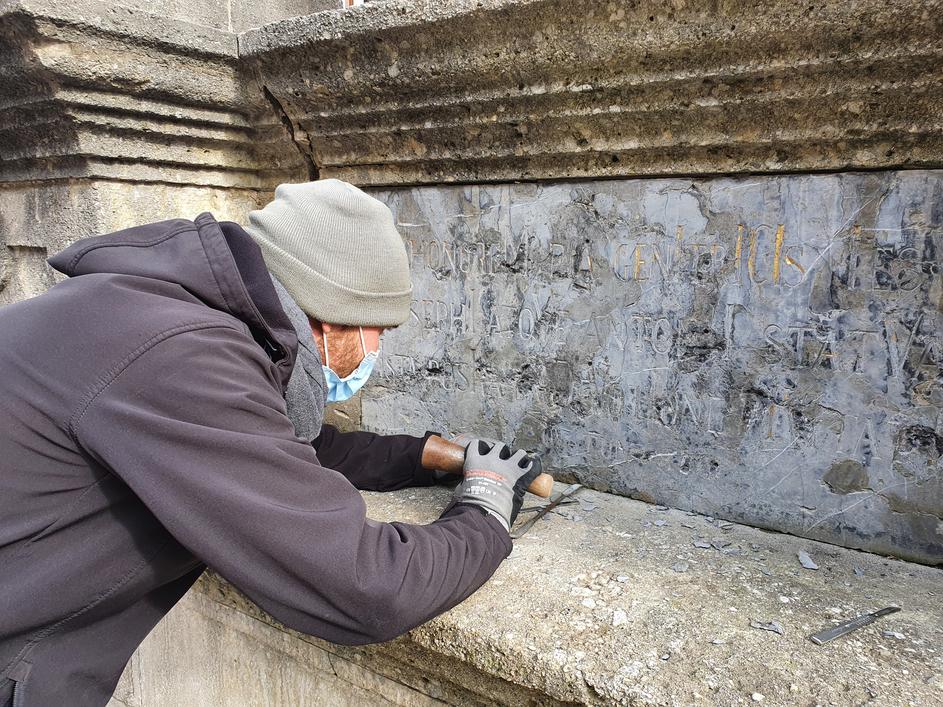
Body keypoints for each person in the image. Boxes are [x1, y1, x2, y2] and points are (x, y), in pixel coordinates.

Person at [0, 180, 540, 707]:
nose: (380, 348)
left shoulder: (150, 312)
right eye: (382, 329)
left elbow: (278, 445)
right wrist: (486, 509)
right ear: (334, 317)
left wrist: (424, 455)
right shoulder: (182, 358)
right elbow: (366, 587)